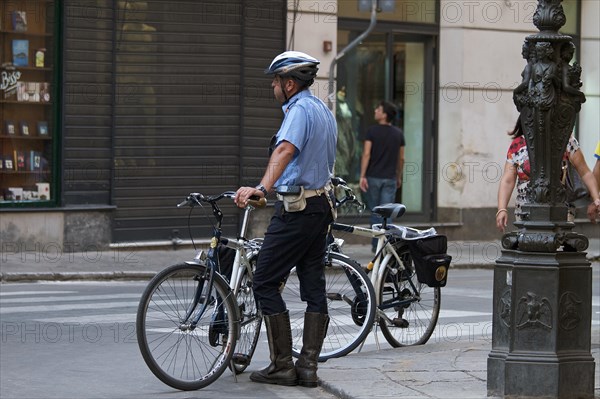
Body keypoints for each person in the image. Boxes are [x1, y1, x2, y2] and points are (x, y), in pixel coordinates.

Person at [234, 51, 337, 388]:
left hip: (297, 210)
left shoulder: (298, 110)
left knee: (263, 280)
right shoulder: (322, 109)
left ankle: (282, 364)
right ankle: (307, 367)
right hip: (320, 206)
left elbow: (285, 151)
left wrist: (260, 187)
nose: (273, 87)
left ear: (289, 83)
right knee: (313, 287)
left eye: (275, 81)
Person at [496, 118, 600, 232]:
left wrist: (596, 199)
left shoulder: (566, 141)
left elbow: (585, 172)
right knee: (529, 246)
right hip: (525, 210)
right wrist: (502, 209)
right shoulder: (518, 145)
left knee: (558, 245)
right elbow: (508, 180)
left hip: (561, 210)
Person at [359, 100, 405, 251]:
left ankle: (375, 246)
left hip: (373, 176)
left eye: (378, 109)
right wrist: (398, 176)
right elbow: (401, 158)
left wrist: (362, 175)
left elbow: (366, 154)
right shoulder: (398, 134)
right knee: (387, 214)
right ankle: (387, 245)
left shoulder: (371, 131)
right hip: (390, 178)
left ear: (384, 114)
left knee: (375, 211)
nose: (375, 111)